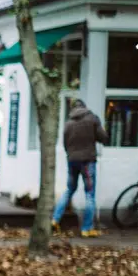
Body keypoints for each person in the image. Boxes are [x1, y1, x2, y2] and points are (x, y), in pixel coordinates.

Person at [53, 99, 108, 237]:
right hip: (87, 161)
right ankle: (86, 228)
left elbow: (65, 144)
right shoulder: (92, 119)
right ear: (84, 107)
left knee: (69, 190)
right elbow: (103, 138)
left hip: (72, 161)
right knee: (89, 194)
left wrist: (71, 154)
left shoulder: (68, 123)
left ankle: (55, 219)